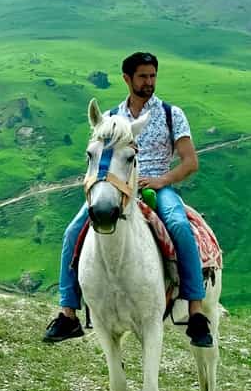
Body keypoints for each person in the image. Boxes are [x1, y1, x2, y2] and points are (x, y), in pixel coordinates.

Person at [42, 51, 213, 348]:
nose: (149, 82)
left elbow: (190, 162)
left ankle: (196, 311)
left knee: (179, 226)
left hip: (157, 187)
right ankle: (68, 312)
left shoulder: (173, 115)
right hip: (115, 189)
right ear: (127, 79)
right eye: (143, 77)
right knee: (72, 232)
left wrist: (162, 180)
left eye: (153, 76)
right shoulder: (109, 119)